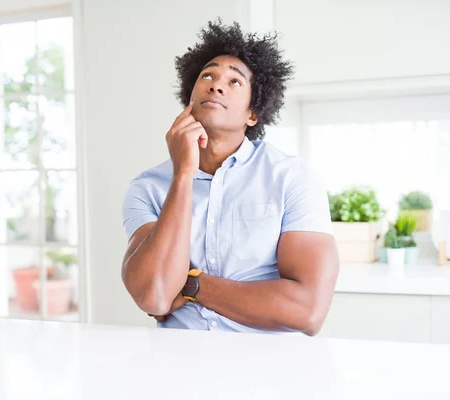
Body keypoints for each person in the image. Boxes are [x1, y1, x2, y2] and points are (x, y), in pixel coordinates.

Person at [121, 19, 339, 336]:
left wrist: (192, 284)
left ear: (253, 113)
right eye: (207, 75)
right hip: (174, 364)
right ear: (189, 100)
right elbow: (154, 297)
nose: (216, 84)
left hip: (266, 371)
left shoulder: (291, 178)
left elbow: (306, 310)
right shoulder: (148, 187)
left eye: (235, 82)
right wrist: (183, 174)